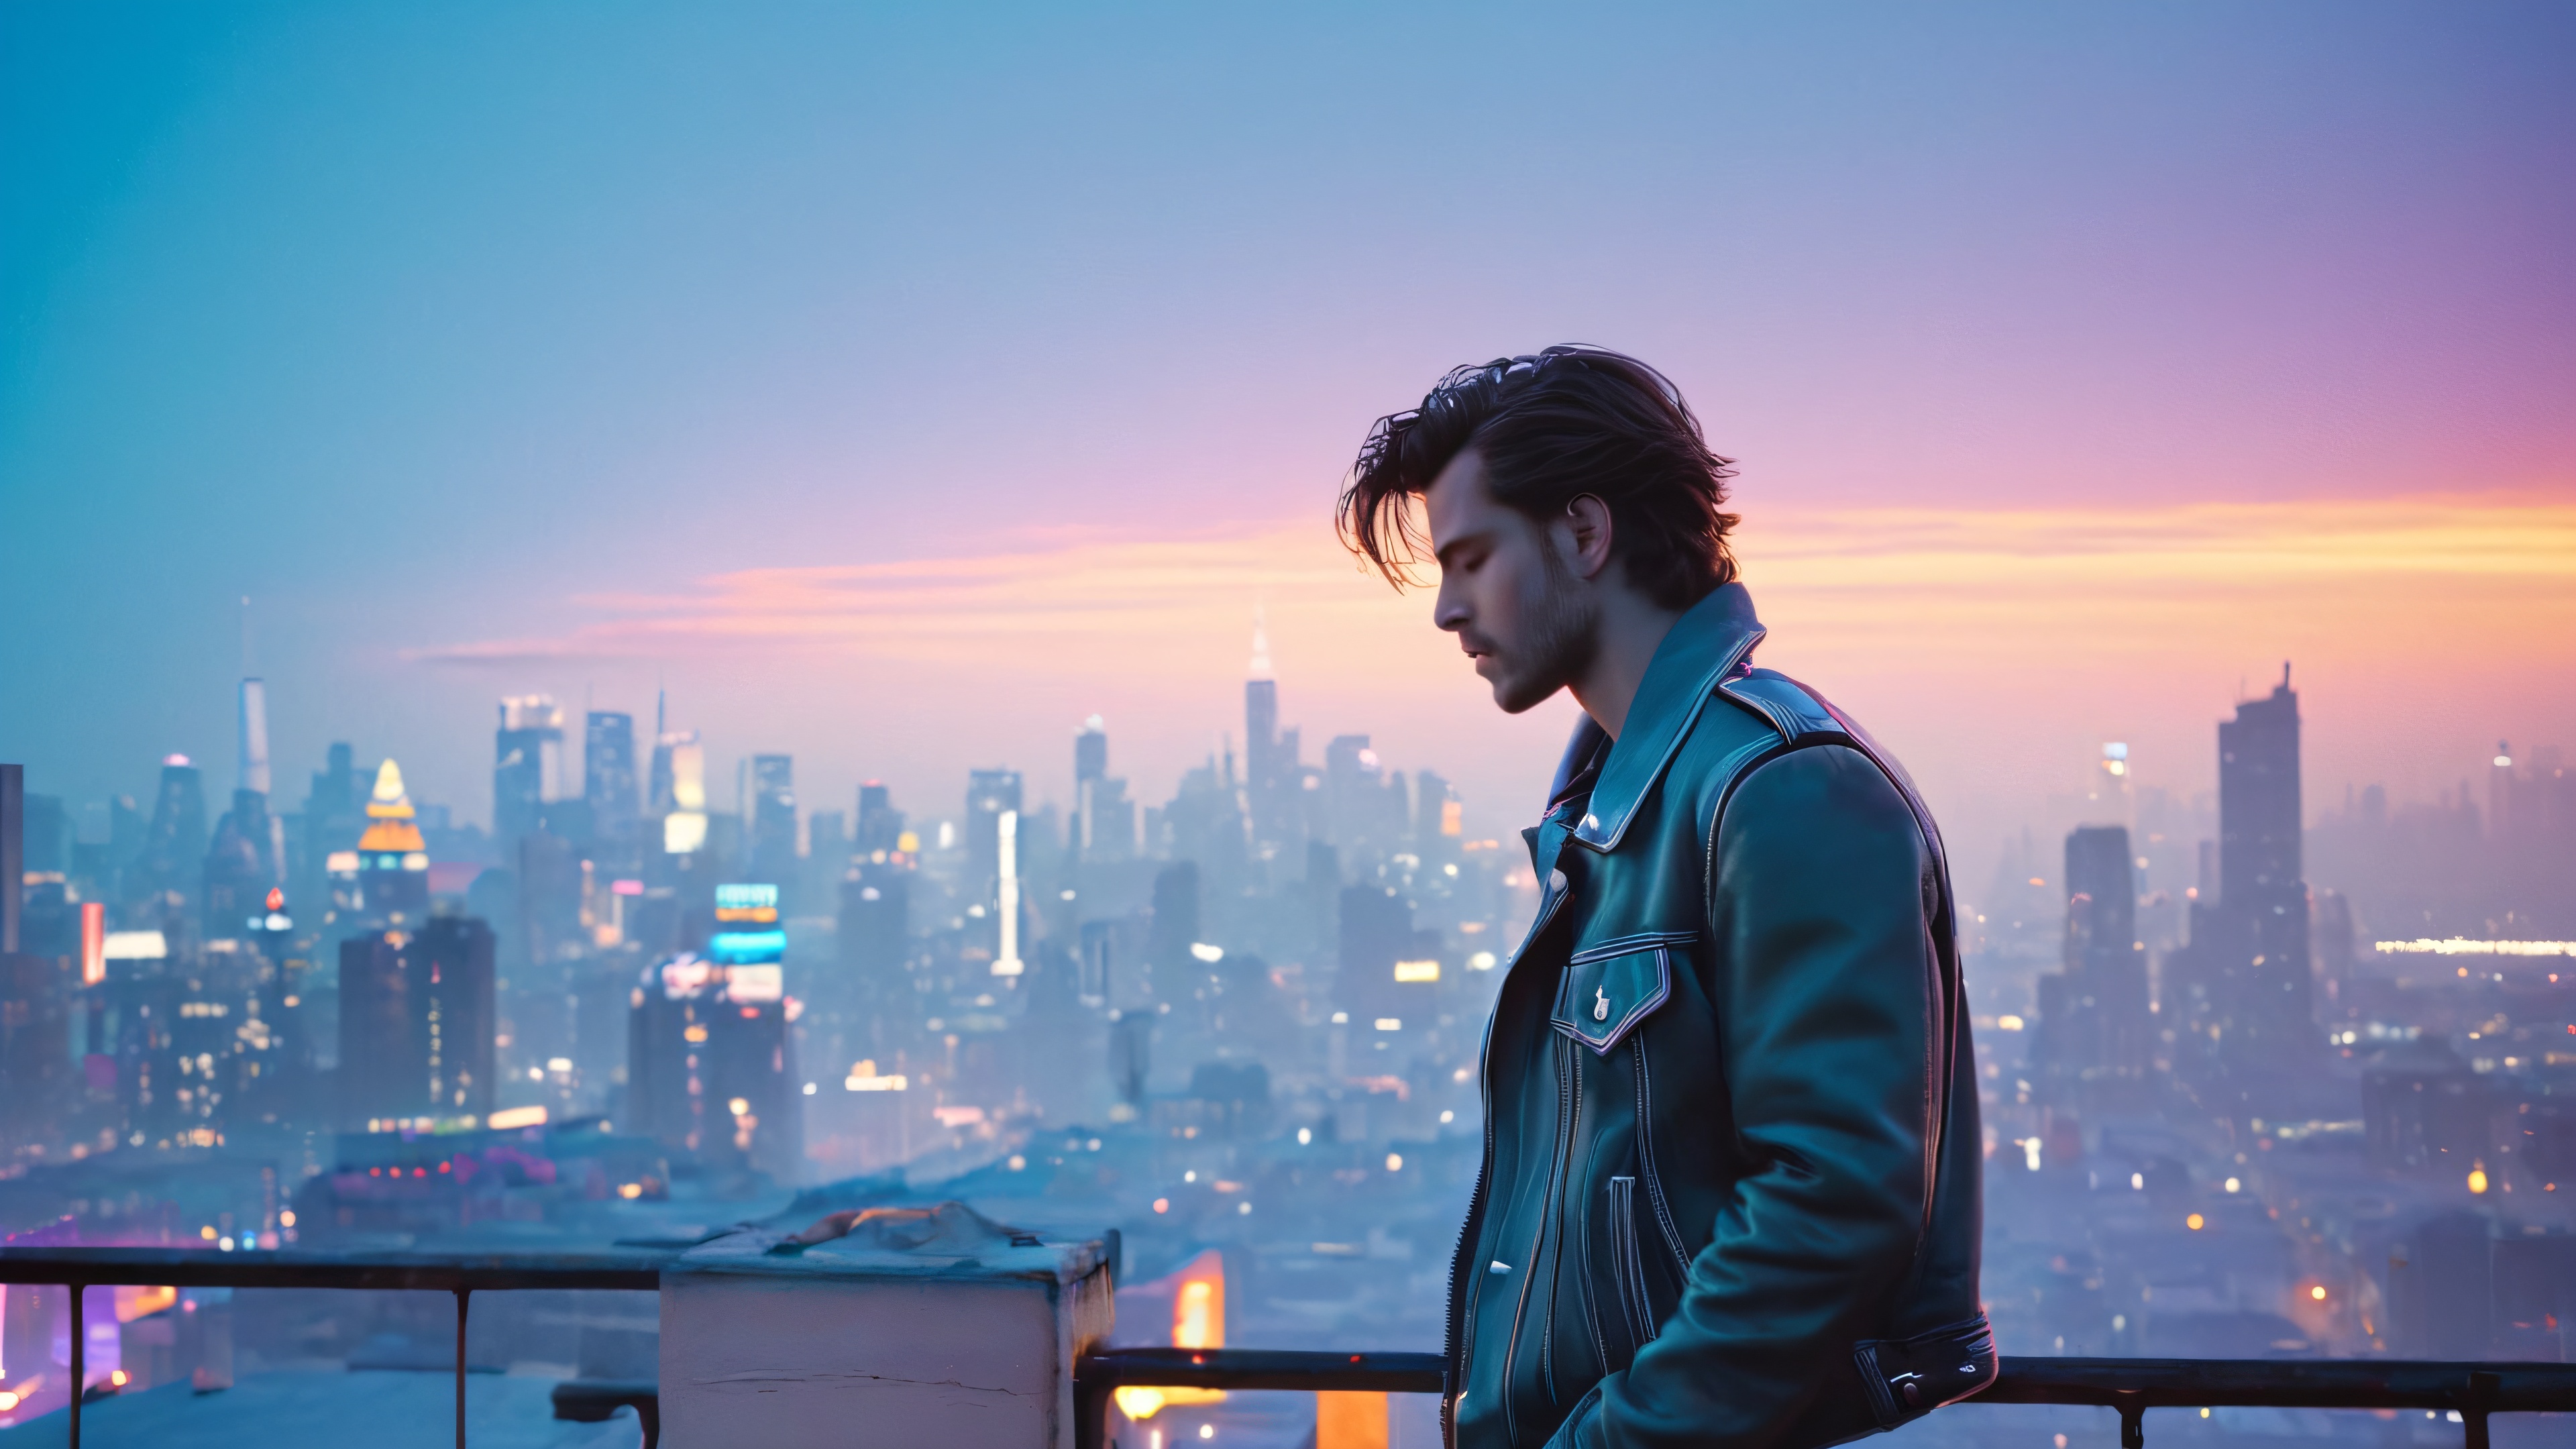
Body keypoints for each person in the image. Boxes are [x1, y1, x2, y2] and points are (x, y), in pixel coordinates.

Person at [1337, 348, 1990, 1449]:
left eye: (1473, 558)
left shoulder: (1781, 788)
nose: (1448, 609)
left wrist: (1619, 1439)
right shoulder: (1614, 814)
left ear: (1585, 533)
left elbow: (1834, 1200)